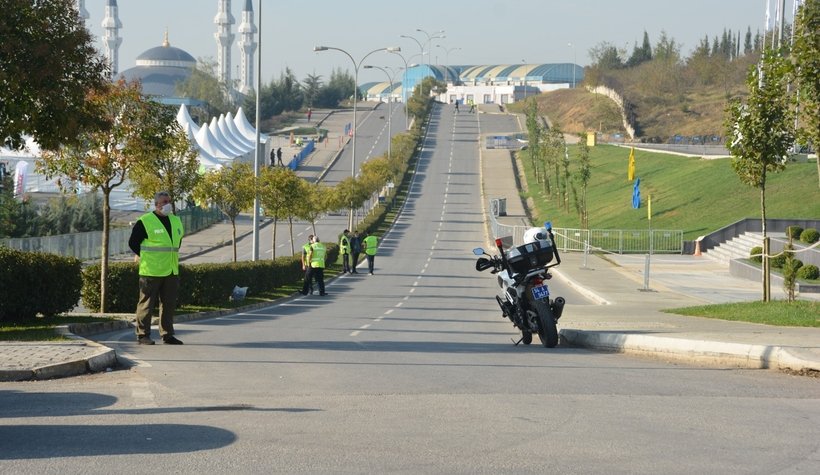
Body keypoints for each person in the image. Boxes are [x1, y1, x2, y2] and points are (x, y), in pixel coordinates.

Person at [128, 191, 184, 345]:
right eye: (164, 201)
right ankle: (142, 335)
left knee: (169, 303)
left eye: (169, 201)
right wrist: (145, 256)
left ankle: (167, 334)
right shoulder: (145, 221)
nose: (168, 204)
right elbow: (133, 242)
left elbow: (177, 243)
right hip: (151, 270)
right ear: (156, 204)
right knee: (146, 304)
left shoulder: (176, 220)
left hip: (171, 270)